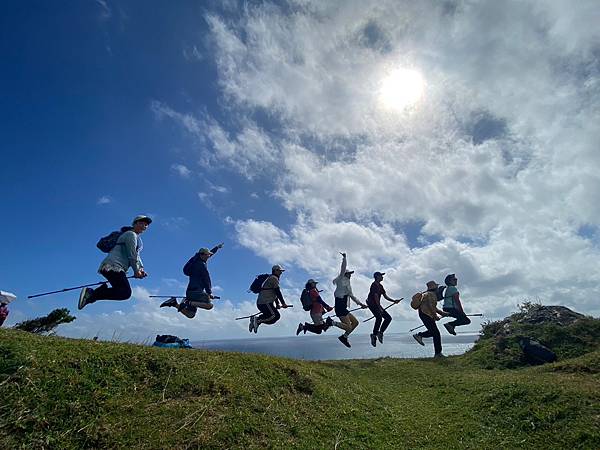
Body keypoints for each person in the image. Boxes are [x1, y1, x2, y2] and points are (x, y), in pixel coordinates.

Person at [78, 215, 151, 310]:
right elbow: (132, 255)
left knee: (123, 292)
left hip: (115, 267)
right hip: (112, 266)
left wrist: (141, 269)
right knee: (125, 293)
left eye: (146, 225)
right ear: (134, 224)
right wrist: (136, 271)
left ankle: (95, 293)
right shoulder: (130, 234)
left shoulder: (137, 238)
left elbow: (137, 256)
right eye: (141, 223)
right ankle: (91, 294)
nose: (144, 226)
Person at [160, 244, 224, 318]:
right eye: (208, 255)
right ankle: (188, 302)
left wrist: (217, 248)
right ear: (202, 255)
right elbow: (207, 279)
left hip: (191, 291)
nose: (209, 256)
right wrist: (209, 293)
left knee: (190, 314)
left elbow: (211, 254)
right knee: (209, 305)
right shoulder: (201, 265)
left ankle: (174, 303)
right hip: (195, 292)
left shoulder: (196, 260)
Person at [332, 253, 367, 348]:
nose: (351, 275)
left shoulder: (348, 284)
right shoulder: (340, 280)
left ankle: (344, 337)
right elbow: (343, 269)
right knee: (348, 326)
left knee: (355, 323)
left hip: (343, 307)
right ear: (345, 274)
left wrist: (361, 304)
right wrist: (344, 258)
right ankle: (331, 322)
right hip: (339, 306)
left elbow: (352, 296)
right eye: (349, 274)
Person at [412, 280, 450, 358]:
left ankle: (420, 335)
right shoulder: (431, 295)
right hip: (426, 314)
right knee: (436, 333)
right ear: (435, 288)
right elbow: (431, 306)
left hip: (423, 314)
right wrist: (435, 316)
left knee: (433, 332)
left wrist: (442, 313)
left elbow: (433, 307)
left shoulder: (427, 294)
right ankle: (438, 353)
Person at [249, 265, 291, 333]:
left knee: (270, 316)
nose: (281, 273)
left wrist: (277, 304)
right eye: (280, 271)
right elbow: (277, 292)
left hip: (263, 303)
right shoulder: (274, 278)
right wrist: (283, 303)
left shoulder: (270, 278)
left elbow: (274, 293)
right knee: (275, 316)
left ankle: (256, 320)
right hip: (265, 303)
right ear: (275, 271)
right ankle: (257, 320)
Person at [366, 271, 401, 347]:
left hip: (377, 304)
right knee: (379, 318)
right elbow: (375, 297)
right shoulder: (374, 285)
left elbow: (385, 296)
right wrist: (379, 308)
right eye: (381, 275)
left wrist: (394, 301)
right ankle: (374, 335)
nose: (382, 277)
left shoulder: (380, 286)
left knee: (388, 318)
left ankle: (380, 333)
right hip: (372, 304)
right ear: (377, 276)